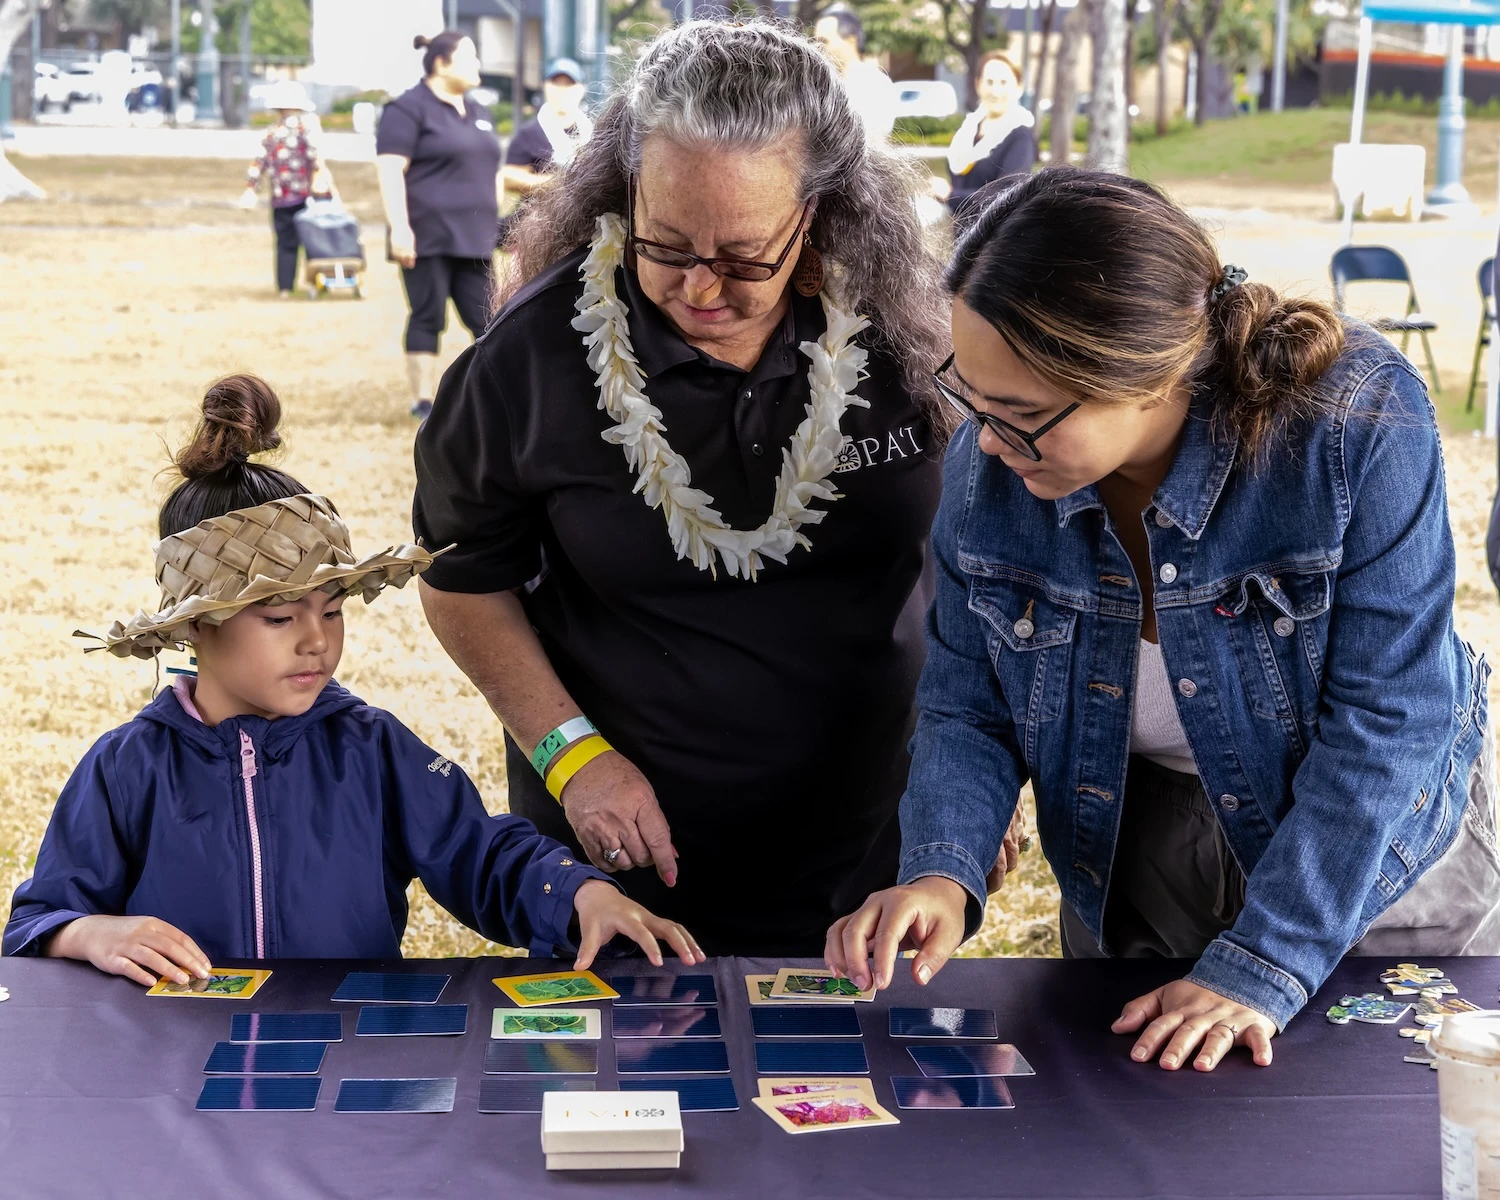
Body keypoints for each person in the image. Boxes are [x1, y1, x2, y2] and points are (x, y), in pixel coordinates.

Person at [827, 168, 1500, 1072]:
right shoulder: (991, 467)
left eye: (1021, 416)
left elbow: (1392, 721)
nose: (985, 443)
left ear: (1149, 375)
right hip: (1137, 850)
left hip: (1372, 865)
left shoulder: (1355, 422)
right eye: (971, 400)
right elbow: (966, 702)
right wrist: (942, 870)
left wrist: (1265, 961)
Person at [411, 20, 950, 956]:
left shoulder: (911, 345)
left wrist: (962, 802)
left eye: (744, 257)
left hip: (865, 852)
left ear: (819, 213)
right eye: (664, 244)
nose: (700, 288)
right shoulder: (528, 363)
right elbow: (463, 580)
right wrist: (571, 756)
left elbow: (980, 567)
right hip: (623, 858)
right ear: (626, 191)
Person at [2, 376, 703, 982]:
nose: (318, 640)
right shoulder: (127, 768)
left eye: (332, 611)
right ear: (196, 626)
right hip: (175, 1087)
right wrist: (91, 934)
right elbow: (38, 920)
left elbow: (479, 850)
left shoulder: (370, 749)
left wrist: (579, 893)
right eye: (280, 618)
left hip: (341, 1061)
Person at [376, 32, 504, 420]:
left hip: (475, 237)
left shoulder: (479, 111)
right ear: (441, 63)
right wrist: (400, 227)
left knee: (492, 319)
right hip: (426, 235)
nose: (478, 64)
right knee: (428, 315)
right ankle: (423, 401)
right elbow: (389, 170)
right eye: (470, 56)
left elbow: (491, 169)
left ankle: (497, 395)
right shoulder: (408, 109)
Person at [238, 81, 330, 298]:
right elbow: (314, 157)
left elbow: (258, 163)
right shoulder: (305, 130)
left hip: (281, 199)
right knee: (311, 241)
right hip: (307, 198)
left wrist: (251, 189)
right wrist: (319, 178)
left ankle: (285, 288)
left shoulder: (271, 134)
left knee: (285, 244)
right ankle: (314, 283)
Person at [941, 53, 1036, 226]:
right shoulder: (969, 129)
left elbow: (1008, 195)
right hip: (963, 237)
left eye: (1003, 83)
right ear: (978, 84)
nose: (995, 91)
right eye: (989, 82)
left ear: (1019, 87)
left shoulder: (1019, 135)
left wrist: (951, 195)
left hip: (994, 243)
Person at [502, 58, 595, 197]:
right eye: (556, 83)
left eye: (569, 84)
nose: (562, 90)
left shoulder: (593, 132)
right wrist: (556, 182)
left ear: (582, 89)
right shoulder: (529, 133)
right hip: (540, 214)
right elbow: (509, 178)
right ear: (545, 86)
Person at [812, 7, 897, 143]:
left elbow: (874, 141)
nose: (817, 48)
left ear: (851, 41)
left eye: (824, 41)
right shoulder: (817, 83)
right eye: (814, 41)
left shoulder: (876, 84)